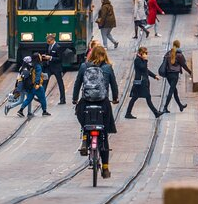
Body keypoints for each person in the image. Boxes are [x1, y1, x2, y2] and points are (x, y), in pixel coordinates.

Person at [72, 45, 119, 178]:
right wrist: (115, 98)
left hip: (86, 103)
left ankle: (86, 138)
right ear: (105, 55)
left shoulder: (84, 67)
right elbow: (114, 86)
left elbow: (77, 84)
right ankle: (105, 168)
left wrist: (75, 99)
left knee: (81, 116)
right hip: (103, 104)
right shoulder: (108, 68)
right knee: (103, 134)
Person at [125, 47, 162, 119]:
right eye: (145, 53)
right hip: (140, 82)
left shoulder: (140, 59)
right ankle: (156, 113)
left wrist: (154, 76)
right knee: (147, 97)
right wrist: (145, 60)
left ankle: (128, 113)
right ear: (141, 53)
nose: (146, 55)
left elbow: (146, 70)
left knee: (135, 97)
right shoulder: (137, 60)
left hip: (141, 82)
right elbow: (143, 68)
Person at [161, 40, 192, 114]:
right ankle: (165, 107)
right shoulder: (179, 55)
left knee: (174, 91)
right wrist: (190, 72)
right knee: (171, 91)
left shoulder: (168, 53)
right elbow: (184, 65)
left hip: (168, 75)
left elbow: (164, 62)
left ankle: (180, 106)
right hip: (174, 75)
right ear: (179, 45)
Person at [42, 33, 66, 104]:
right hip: (49, 67)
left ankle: (62, 99)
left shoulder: (57, 47)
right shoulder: (47, 46)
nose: (48, 43)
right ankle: (41, 97)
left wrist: (51, 58)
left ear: (52, 40)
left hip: (56, 68)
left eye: (49, 41)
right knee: (45, 82)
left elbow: (60, 58)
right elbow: (47, 53)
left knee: (60, 83)